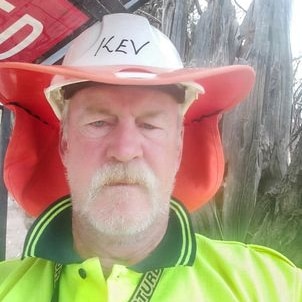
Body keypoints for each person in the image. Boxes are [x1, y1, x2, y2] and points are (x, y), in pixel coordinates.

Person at [0, 13, 301, 302]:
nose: (125, 150)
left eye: (150, 125)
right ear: (65, 144)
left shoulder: (268, 287)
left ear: (179, 148)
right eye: (99, 123)